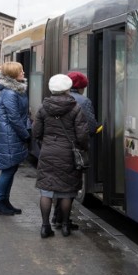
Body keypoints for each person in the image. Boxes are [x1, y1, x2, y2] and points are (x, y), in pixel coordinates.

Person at [32, 74, 89, 238]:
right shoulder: (75, 108)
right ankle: (65, 226)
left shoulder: (43, 108)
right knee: (66, 191)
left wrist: (45, 145)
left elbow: (36, 132)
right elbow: (82, 135)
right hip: (67, 154)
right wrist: (83, 149)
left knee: (46, 191)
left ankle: (45, 227)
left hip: (48, 152)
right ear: (67, 88)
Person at [50, 71, 98, 229]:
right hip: (74, 149)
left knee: (57, 185)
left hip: (53, 149)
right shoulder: (83, 102)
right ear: (81, 87)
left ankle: (55, 218)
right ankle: (64, 221)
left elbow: (38, 129)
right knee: (70, 187)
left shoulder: (50, 101)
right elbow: (90, 128)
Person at [0, 62, 30, 216]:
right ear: (14, 74)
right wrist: (26, 134)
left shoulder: (15, 90)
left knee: (11, 169)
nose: (23, 72)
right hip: (8, 135)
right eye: (21, 70)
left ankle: (5, 201)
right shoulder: (10, 93)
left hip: (9, 134)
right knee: (7, 170)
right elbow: (14, 117)